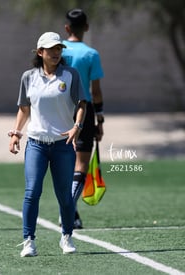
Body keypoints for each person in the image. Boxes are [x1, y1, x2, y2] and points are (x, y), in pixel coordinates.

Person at [9, 32, 87, 257]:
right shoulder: (28, 77)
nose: (56, 53)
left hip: (63, 145)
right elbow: (24, 108)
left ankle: (67, 236)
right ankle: (28, 241)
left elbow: (82, 103)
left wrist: (77, 126)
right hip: (36, 144)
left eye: (59, 48)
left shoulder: (70, 75)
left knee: (64, 195)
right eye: (51, 49)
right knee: (32, 192)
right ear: (40, 52)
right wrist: (16, 133)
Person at [62, 8, 105, 229]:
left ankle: (70, 211)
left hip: (58, 109)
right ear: (86, 27)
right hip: (83, 111)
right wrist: (100, 119)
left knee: (62, 163)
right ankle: (68, 211)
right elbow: (95, 91)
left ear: (66, 28)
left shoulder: (54, 50)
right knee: (81, 164)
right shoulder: (91, 54)